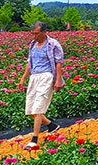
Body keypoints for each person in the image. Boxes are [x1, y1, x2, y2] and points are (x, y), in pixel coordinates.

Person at [17, 21, 65, 150]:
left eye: (36, 33)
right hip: (34, 77)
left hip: (46, 76)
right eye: (32, 33)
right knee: (31, 110)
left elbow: (58, 63)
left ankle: (34, 139)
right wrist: (23, 79)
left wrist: (58, 80)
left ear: (44, 32)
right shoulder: (33, 45)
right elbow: (29, 63)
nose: (34, 36)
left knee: (38, 109)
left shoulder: (53, 44)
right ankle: (51, 125)